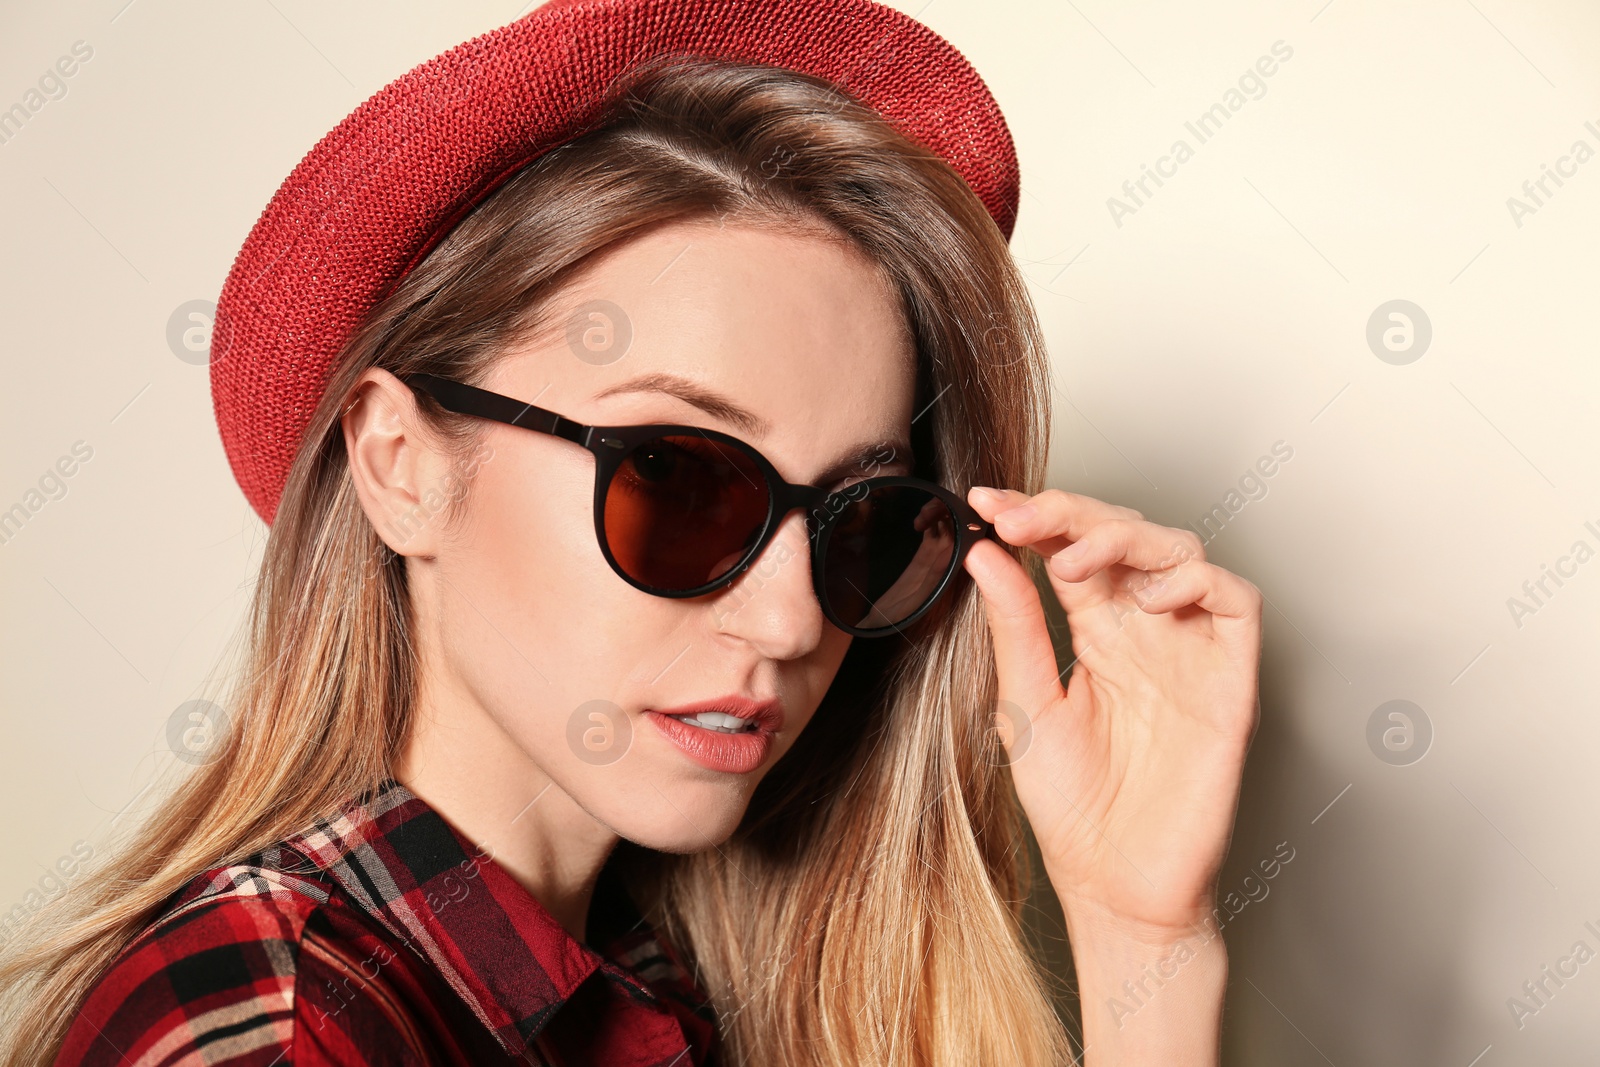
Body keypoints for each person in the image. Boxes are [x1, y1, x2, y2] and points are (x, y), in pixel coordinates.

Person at [0, 1, 1261, 1063]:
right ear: (400, 464)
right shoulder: (288, 1030)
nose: (789, 618)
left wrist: (1143, 936)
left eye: (859, 521)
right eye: (678, 478)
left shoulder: (648, 989)